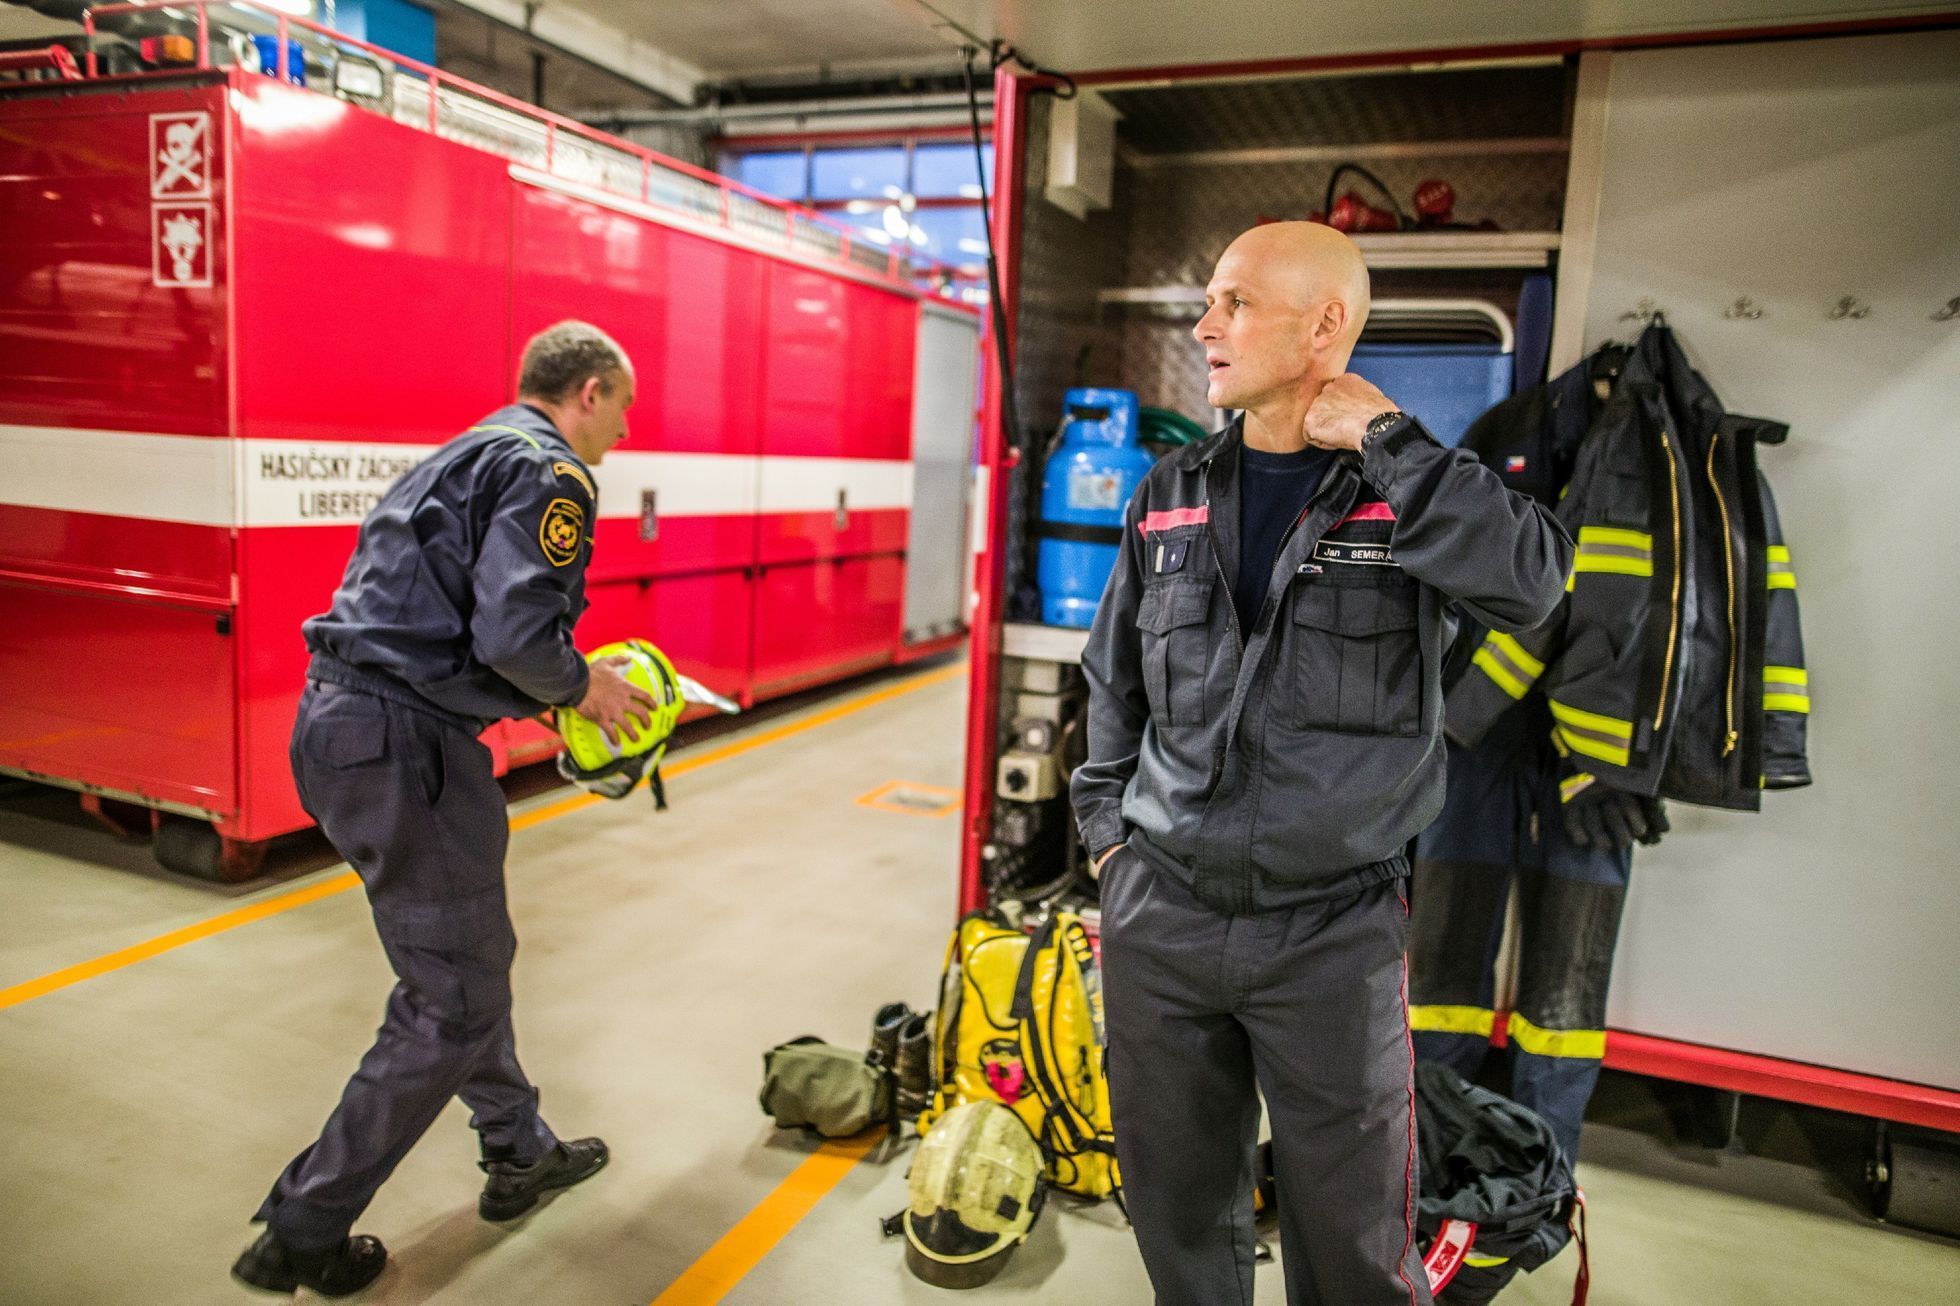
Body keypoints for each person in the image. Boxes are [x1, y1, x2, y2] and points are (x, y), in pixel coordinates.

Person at [1071, 222, 1572, 1306]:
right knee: (1175, 1214)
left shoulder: (1413, 489)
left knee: (1349, 1241)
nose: (1205, 326)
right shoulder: (1169, 491)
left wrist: (1389, 438)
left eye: (1237, 303)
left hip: (1329, 935)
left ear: (1326, 325)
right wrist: (1110, 841)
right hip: (1162, 916)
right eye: (1209, 302)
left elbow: (1534, 583)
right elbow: (1112, 682)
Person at [232, 321, 655, 1297]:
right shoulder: (551, 470)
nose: (624, 432)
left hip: (339, 729)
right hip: (404, 744)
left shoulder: (467, 448)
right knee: (453, 996)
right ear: (588, 392)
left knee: (460, 965)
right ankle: (302, 1227)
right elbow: (514, 631)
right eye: (623, 409)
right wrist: (580, 686)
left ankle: (519, 1150)